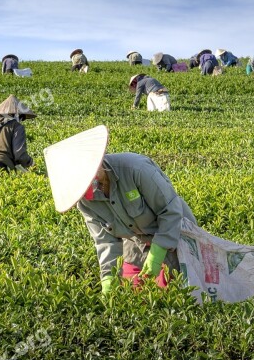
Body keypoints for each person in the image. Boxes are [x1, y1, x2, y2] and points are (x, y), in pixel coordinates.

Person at [43, 125, 198, 293]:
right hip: (134, 243)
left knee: (170, 293)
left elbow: (170, 210)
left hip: (174, 234)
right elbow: (105, 241)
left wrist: (158, 252)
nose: (90, 184)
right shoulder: (85, 200)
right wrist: (108, 277)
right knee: (133, 295)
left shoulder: (136, 169)